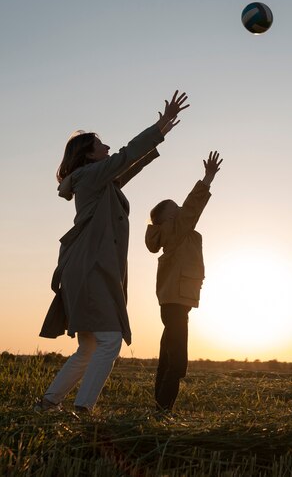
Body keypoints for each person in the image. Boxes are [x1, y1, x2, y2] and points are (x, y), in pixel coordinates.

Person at [37, 91, 189, 414]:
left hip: (86, 268)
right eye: (101, 145)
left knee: (90, 346)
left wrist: (157, 140)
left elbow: (127, 166)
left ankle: (48, 403)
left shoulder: (99, 181)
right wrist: (159, 126)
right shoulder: (92, 176)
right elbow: (124, 157)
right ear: (90, 156)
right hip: (89, 268)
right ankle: (83, 410)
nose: (107, 147)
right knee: (110, 341)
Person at [145, 150, 222, 412]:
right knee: (177, 362)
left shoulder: (176, 233)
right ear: (168, 218)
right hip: (176, 301)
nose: (181, 209)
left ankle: (160, 409)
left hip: (175, 300)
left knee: (167, 357)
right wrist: (207, 178)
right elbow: (192, 208)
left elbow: (187, 212)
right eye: (175, 208)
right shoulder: (175, 230)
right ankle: (164, 410)